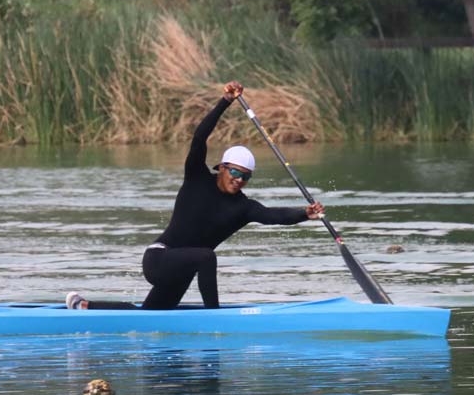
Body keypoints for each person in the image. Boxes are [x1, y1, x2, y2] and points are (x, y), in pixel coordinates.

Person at [66, 81, 324, 310]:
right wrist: (224, 102)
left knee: (151, 316)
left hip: (184, 269)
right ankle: (214, 317)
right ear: (222, 167)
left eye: (246, 176)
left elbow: (273, 215)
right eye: (235, 171)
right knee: (206, 255)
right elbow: (200, 137)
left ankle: (83, 306)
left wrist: (305, 213)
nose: (239, 179)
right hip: (158, 258)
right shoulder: (196, 178)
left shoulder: (243, 207)